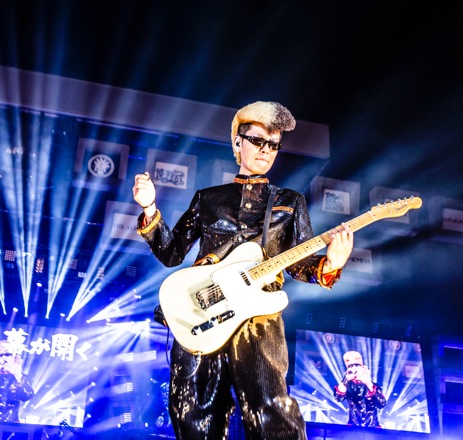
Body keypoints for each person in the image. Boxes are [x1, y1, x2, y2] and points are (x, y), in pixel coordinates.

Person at [132, 101, 354, 439]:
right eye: (257, 141)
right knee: (195, 413)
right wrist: (150, 209)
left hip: (257, 317)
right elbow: (172, 252)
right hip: (201, 311)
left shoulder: (289, 202)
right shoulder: (208, 199)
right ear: (237, 142)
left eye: (274, 145)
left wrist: (331, 264)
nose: (266, 150)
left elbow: (298, 262)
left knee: (271, 411)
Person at [333, 350, 387, 428]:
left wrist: (368, 383)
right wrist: (346, 380)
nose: (354, 369)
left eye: (357, 365)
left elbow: (382, 404)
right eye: (351, 366)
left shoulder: (372, 386)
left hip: (373, 427)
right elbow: (338, 398)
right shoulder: (347, 386)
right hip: (353, 428)